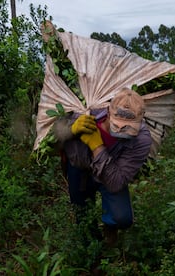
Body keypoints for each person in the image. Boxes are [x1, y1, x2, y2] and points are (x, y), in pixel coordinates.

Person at [53, 87, 152, 246]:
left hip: (111, 173)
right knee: (82, 214)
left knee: (123, 218)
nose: (121, 131)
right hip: (79, 168)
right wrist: (70, 130)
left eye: (128, 128)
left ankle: (110, 226)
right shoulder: (84, 112)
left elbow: (115, 182)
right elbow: (51, 138)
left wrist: (96, 146)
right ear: (108, 111)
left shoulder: (142, 140)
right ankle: (92, 248)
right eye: (117, 125)